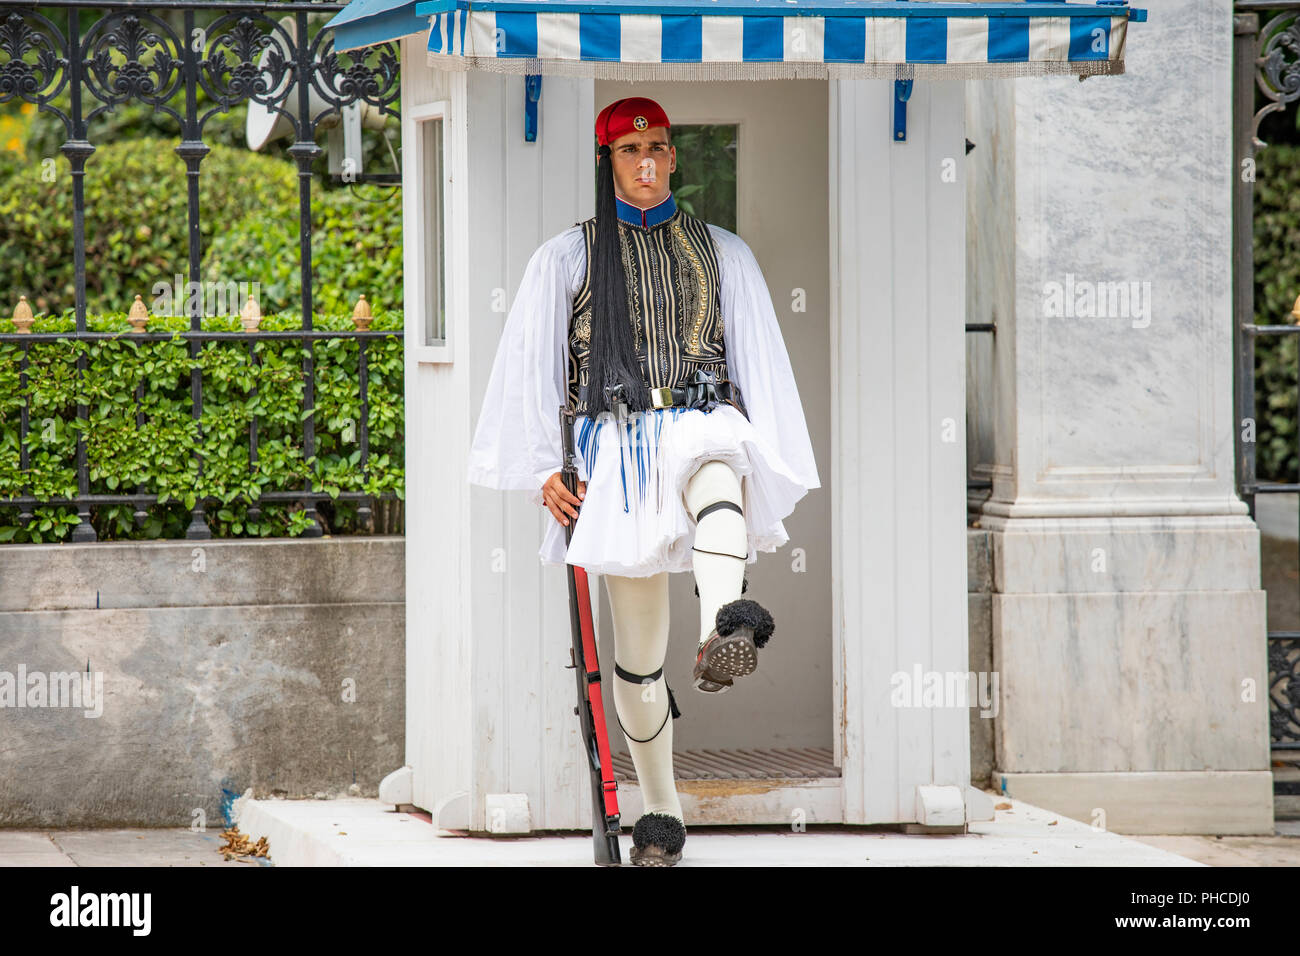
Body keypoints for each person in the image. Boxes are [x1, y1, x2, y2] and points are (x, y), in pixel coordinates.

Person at [467, 96, 819, 866]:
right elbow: (530, 370)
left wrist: (774, 450)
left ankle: (726, 623)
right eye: (632, 151)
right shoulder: (566, 257)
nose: (649, 162)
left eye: (659, 147)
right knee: (637, 656)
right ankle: (659, 816)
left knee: (718, 471)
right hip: (616, 449)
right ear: (608, 162)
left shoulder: (722, 251)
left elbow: (758, 358)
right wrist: (541, 475)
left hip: (694, 417)